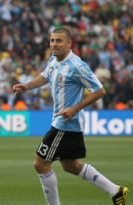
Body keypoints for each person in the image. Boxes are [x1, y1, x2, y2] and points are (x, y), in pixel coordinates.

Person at [13, 27, 128, 205]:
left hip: (65, 123)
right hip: (65, 121)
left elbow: (99, 90)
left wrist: (75, 108)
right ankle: (116, 191)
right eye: (52, 40)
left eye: (58, 41)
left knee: (40, 164)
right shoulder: (54, 59)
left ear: (69, 43)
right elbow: (45, 76)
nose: (54, 44)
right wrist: (26, 86)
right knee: (70, 165)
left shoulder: (76, 65)